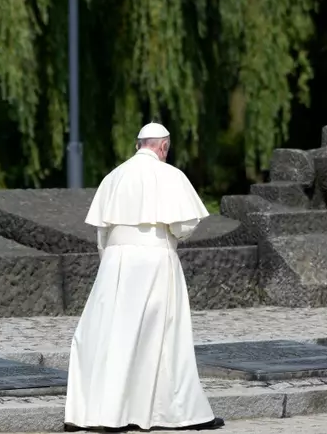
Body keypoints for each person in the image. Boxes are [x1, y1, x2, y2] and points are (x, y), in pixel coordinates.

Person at [64, 122, 223, 431]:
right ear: (163, 147)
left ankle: (95, 415)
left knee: (106, 334)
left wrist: (111, 261)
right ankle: (176, 414)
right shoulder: (171, 175)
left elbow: (102, 233)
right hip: (156, 258)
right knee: (163, 340)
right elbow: (183, 227)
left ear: (139, 145)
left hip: (115, 260)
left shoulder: (113, 177)